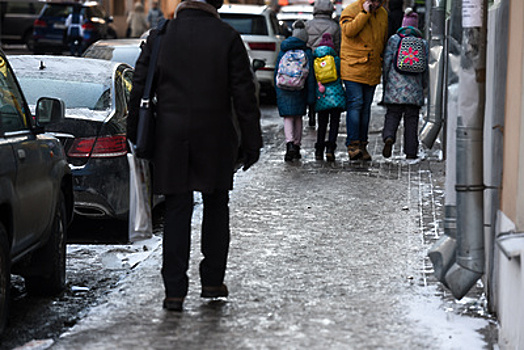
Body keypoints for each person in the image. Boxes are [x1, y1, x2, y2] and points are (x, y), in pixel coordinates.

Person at [127, 0, 262, 311]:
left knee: (176, 210)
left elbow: (138, 88)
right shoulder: (227, 37)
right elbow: (245, 94)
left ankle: (174, 292)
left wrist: (135, 135)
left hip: (170, 138)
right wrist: (252, 143)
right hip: (216, 136)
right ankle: (213, 282)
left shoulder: (161, 35)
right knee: (216, 206)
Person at [339, 0, 388, 161]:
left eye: (379, 1)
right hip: (352, 67)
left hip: (372, 67)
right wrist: (364, 14)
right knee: (356, 103)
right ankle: (353, 145)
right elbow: (349, 31)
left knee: (366, 107)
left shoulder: (382, 14)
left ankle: (362, 145)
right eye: (373, 1)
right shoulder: (351, 10)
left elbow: (382, 39)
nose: (376, 4)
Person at [381, 10, 428, 160]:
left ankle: (389, 136)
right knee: (412, 120)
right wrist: (423, 85)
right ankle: (411, 151)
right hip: (414, 90)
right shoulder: (423, 43)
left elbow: (387, 62)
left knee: (393, 115)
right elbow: (426, 67)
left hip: (395, 88)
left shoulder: (394, 40)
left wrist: (387, 80)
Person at [274, 20, 316, 162]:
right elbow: (310, 78)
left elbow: (276, 73)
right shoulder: (307, 53)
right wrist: (311, 98)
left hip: (284, 88)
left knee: (287, 117)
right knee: (298, 117)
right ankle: (297, 146)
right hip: (300, 88)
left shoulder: (283, 50)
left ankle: (289, 144)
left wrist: (277, 91)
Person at [305, 0, 341, 128]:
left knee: (312, 86)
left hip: (311, 60)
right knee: (325, 86)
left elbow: (305, 43)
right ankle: (325, 109)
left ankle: (312, 114)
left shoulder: (307, 25)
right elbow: (337, 47)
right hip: (328, 63)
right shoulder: (335, 26)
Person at [313, 33, 346, 162]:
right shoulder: (336, 60)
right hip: (336, 97)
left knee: (321, 124)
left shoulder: (315, 60)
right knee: (334, 123)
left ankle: (319, 150)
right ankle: (330, 149)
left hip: (321, 96)